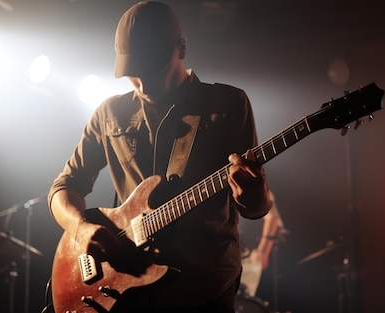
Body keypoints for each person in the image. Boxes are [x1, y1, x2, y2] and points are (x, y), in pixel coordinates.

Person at [47, 1, 273, 312]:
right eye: (131, 71)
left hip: (203, 290)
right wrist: (81, 229)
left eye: (151, 67)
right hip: (128, 289)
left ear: (181, 48)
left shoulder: (227, 104)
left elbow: (255, 208)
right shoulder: (110, 113)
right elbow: (64, 187)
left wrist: (255, 194)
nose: (141, 82)